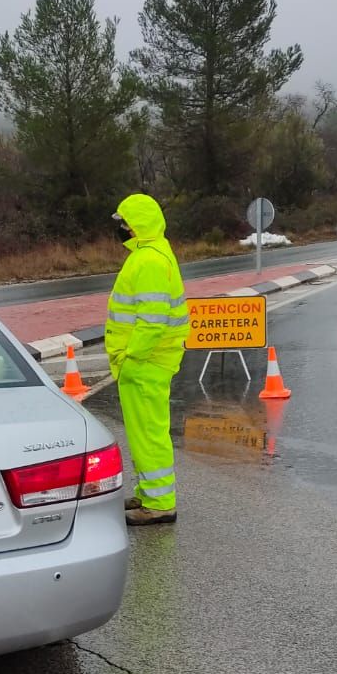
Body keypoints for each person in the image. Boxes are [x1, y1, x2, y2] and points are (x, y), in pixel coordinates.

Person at [105, 194, 189, 526]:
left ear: (136, 225)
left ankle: (159, 503)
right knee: (143, 433)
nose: (121, 229)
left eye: (123, 223)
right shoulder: (150, 254)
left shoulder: (149, 261)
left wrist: (130, 356)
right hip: (146, 362)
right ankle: (149, 492)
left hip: (145, 362)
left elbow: (152, 320)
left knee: (150, 433)